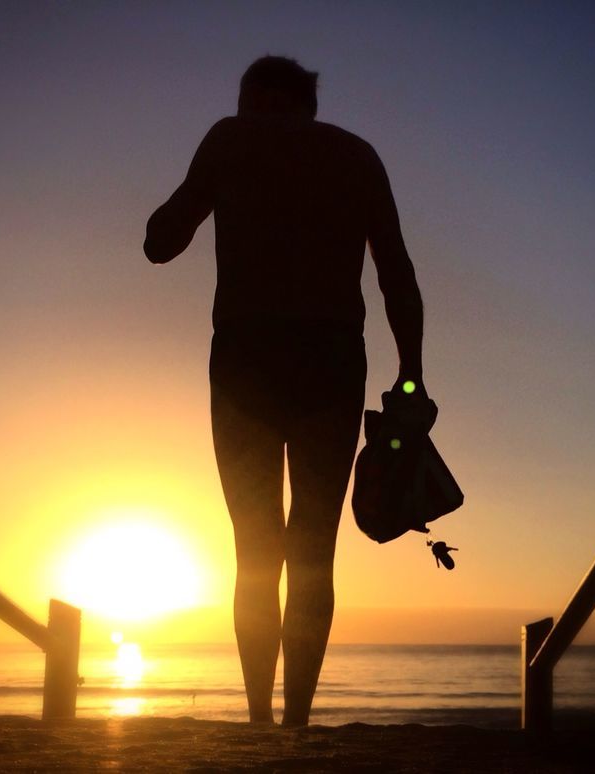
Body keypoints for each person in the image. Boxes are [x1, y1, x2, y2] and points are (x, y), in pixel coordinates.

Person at [144, 55, 425, 726]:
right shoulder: (357, 156)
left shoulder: (230, 138)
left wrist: (200, 191)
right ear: (308, 105)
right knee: (313, 551)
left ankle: (260, 721)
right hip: (331, 360)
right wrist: (411, 377)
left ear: (257, 98)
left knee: (255, 550)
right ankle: (297, 721)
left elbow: (159, 243)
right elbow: (397, 276)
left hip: (247, 358)